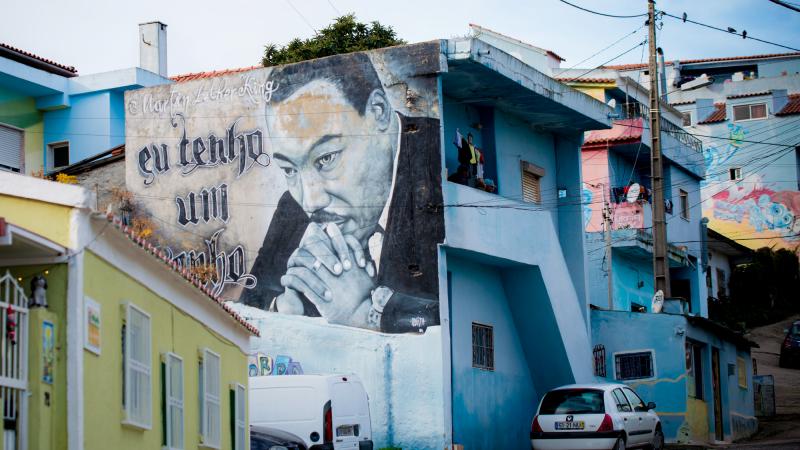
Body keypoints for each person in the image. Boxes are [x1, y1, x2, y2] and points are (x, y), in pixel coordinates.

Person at [239, 52, 444, 333]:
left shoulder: (441, 163)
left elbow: (467, 320)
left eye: (326, 159)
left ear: (378, 113)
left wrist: (363, 313)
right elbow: (245, 315)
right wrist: (283, 310)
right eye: (289, 169)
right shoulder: (292, 208)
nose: (311, 202)